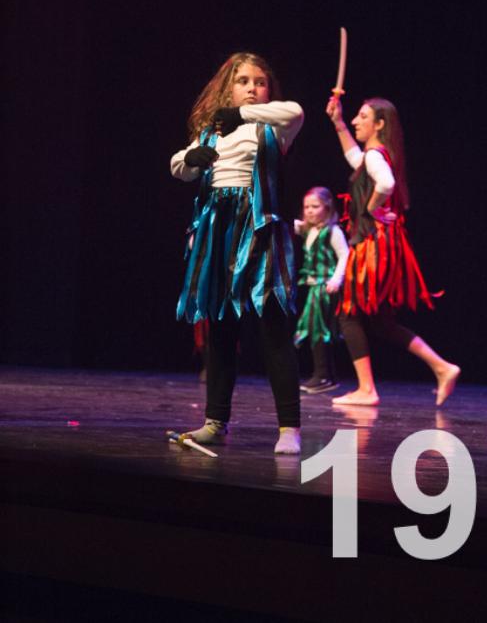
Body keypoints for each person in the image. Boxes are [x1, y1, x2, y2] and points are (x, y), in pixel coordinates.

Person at [171, 52, 304, 453]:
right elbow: (179, 167)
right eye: (243, 81)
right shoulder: (212, 133)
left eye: (259, 82)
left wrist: (242, 116)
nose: (251, 88)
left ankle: (289, 429)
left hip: (260, 229)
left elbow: (296, 111)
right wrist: (190, 159)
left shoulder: (274, 127)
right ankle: (215, 422)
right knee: (221, 329)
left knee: (273, 327)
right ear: (228, 87)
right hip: (219, 231)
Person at [325, 94, 460, 406]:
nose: (356, 121)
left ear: (380, 124)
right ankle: (442, 367)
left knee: (348, 312)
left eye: (362, 117)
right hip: (385, 244)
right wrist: (338, 123)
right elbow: (355, 159)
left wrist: (372, 209)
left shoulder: (375, 157)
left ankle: (366, 389)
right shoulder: (374, 155)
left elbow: (385, 184)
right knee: (380, 322)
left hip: (372, 247)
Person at [294, 187, 349, 393]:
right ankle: (327, 376)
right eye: (306, 207)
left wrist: (336, 279)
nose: (309, 211)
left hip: (325, 287)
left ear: (327, 208)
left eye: (315, 206)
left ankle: (323, 375)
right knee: (316, 328)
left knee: (318, 329)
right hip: (313, 286)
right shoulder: (310, 230)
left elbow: (344, 255)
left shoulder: (332, 231)